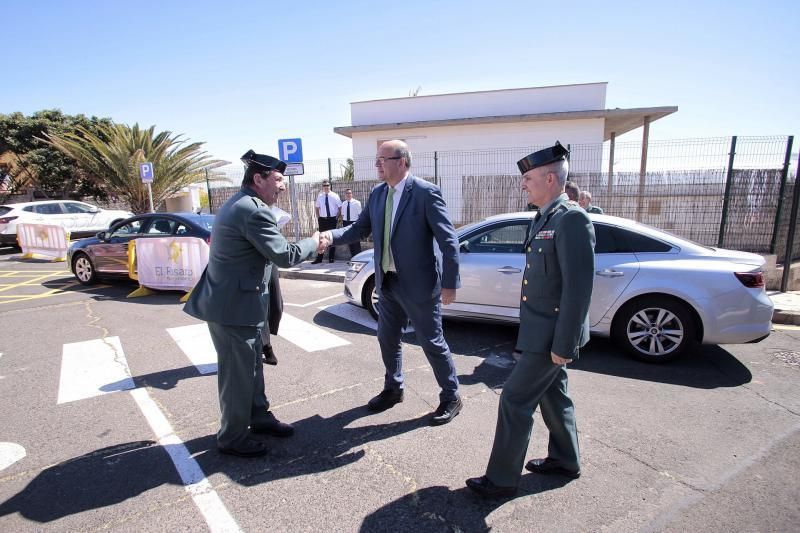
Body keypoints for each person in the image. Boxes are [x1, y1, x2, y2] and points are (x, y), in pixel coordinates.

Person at [466, 141, 595, 497]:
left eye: (528, 178)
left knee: (514, 400)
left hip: (552, 335)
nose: (523, 184)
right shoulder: (545, 217)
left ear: (550, 179)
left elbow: (578, 289)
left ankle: (502, 480)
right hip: (540, 329)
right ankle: (566, 460)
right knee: (555, 398)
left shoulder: (572, 220)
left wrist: (564, 344)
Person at [184, 150, 320, 458]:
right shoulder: (252, 210)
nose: (282, 185)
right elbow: (284, 255)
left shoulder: (242, 203)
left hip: (239, 303)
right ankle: (232, 437)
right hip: (234, 308)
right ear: (258, 179)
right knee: (237, 375)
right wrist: (315, 242)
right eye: (277, 179)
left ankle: (258, 416)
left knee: (251, 367)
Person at [319, 139, 463, 426]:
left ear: (402, 161)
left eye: (382, 159)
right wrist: (331, 236)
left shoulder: (425, 193)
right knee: (387, 339)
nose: (377, 165)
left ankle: (451, 395)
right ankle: (393, 388)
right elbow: (360, 228)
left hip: (420, 285)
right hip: (388, 283)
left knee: (431, 342)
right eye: (377, 159)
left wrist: (450, 283)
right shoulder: (377, 194)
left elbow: (449, 240)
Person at [312, 180, 341, 264]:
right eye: (324, 185)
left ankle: (331, 258)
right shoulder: (320, 196)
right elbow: (317, 208)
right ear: (322, 187)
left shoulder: (335, 196)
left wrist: (336, 217)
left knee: (332, 238)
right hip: (323, 220)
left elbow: (340, 207)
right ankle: (319, 258)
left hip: (332, 219)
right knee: (321, 239)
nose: (326, 187)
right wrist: (319, 217)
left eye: (327, 185)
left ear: (330, 186)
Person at [339, 188, 363, 257]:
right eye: (347, 193)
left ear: (352, 194)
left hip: (354, 223)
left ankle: (359, 258)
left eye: (349, 193)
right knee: (349, 241)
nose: (348, 194)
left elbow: (360, 215)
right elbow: (343, 215)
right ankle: (353, 258)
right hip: (346, 223)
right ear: (345, 195)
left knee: (356, 242)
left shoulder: (357, 203)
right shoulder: (343, 203)